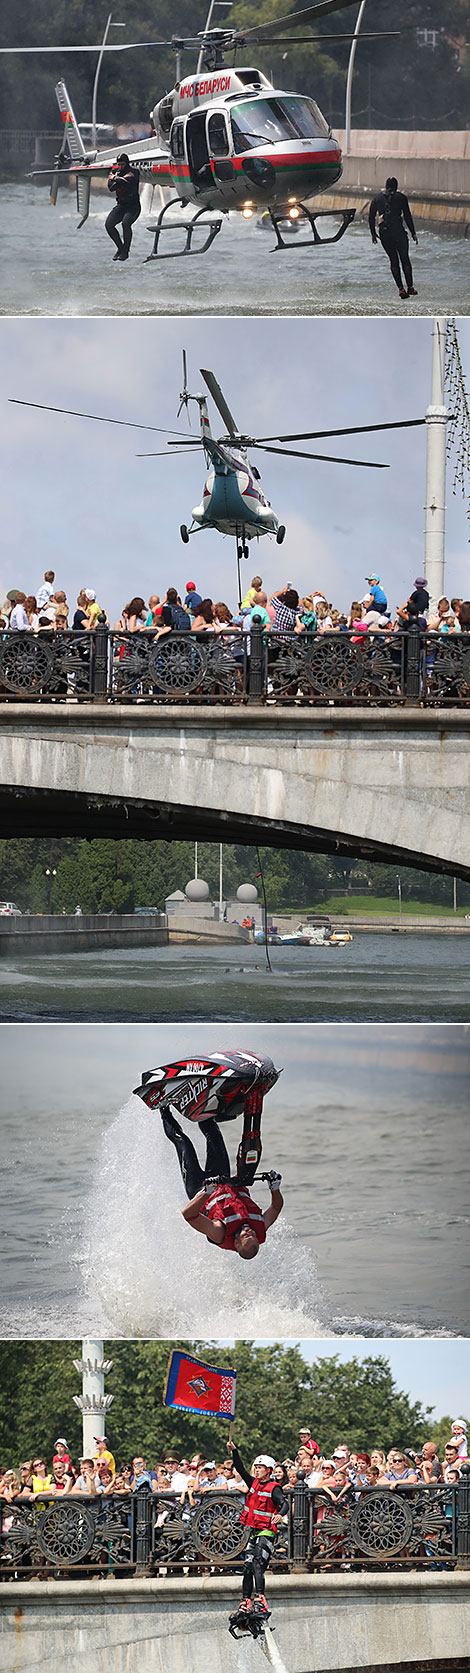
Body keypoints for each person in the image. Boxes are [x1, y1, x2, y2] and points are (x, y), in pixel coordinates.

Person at [160, 1107, 283, 1259]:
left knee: (183, 1142)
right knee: (214, 1134)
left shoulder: (219, 1233)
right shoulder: (259, 1227)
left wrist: (207, 1191)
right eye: (254, 1235)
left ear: (236, 1243)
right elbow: (276, 1207)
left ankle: (164, 1109)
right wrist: (275, 1188)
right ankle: (202, 1104)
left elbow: (188, 1214)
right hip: (222, 1180)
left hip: (200, 1188)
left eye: (246, 1236)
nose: (250, 1231)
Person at [228, 1441, 288, 1626]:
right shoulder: (253, 1483)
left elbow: (284, 1504)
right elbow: (240, 1468)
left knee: (257, 1564)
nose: (257, 1470)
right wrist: (235, 1451)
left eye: (260, 1468)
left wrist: (279, 1514)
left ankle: (260, 1598)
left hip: (267, 1531)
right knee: (247, 1567)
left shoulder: (273, 1488)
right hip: (254, 1531)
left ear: (268, 1471)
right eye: (256, 1467)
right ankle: (245, 1601)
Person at [368, 177, 418, 299]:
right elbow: (407, 216)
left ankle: (401, 289)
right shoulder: (401, 198)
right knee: (405, 259)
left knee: (393, 261)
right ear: (396, 186)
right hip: (399, 233)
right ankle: (410, 288)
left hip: (385, 234)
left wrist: (373, 233)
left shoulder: (377, 198)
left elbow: (371, 217)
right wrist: (413, 233)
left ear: (386, 186)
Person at [106, 154, 142, 261]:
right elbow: (111, 188)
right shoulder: (115, 172)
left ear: (127, 163)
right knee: (109, 225)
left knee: (125, 223)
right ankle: (120, 248)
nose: (121, 167)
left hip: (133, 206)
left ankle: (126, 251)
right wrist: (120, 179)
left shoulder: (134, 172)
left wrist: (115, 178)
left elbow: (127, 183)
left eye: (122, 164)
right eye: (119, 164)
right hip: (121, 206)